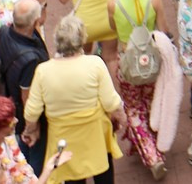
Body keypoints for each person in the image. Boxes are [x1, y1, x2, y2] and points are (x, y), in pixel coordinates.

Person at [22, 15, 123, 184]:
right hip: (94, 133)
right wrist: (121, 118)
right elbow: (111, 102)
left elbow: (32, 112)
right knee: (103, 171)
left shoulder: (43, 71)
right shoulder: (95, 64)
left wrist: (30, 130)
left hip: (63, 136)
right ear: (82, 39)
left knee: (71, 177)